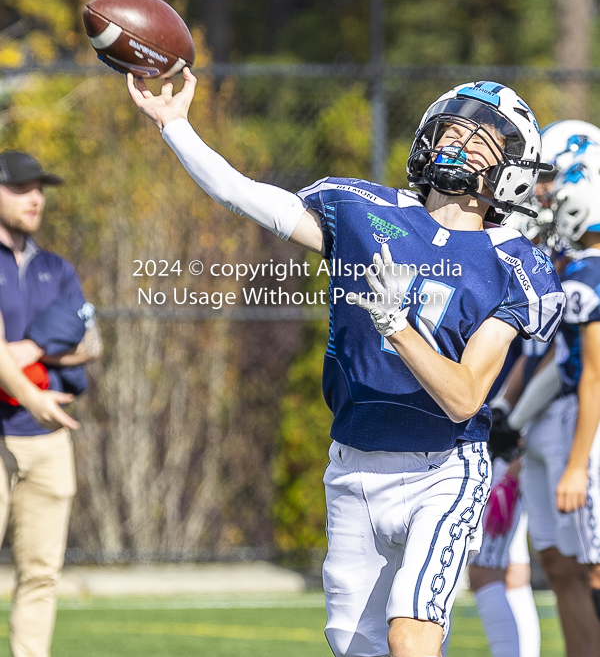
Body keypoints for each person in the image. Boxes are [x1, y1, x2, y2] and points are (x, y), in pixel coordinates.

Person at [127, 71, 564, 657]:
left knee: (411, 634)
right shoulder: (364, 210)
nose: (457, 146)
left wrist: (397, 327)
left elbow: (464, 398)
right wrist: (175, 126)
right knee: (355, 647)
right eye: (451, 133)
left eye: (479, 140)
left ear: (508, 165)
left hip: (445, 467)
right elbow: (244, 194)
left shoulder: (513, 264)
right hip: (355, 461)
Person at [0, 150, 102, 657]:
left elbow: (93, 341)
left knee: (40, 574)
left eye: (40, 187)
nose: (35, 197)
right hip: (7, 431)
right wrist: (33, 394)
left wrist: (32, 346)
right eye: (21, 188)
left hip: (49, 440)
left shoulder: (57, 269)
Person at [515, 151, 600, 657]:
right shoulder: (576, 270)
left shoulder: (589, 278)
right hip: (558, 419)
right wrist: (514, 416)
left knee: (592, 565)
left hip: (581, 429)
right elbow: (559, 363)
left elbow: (593, 376)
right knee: (561, 561)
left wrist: (575, 465)